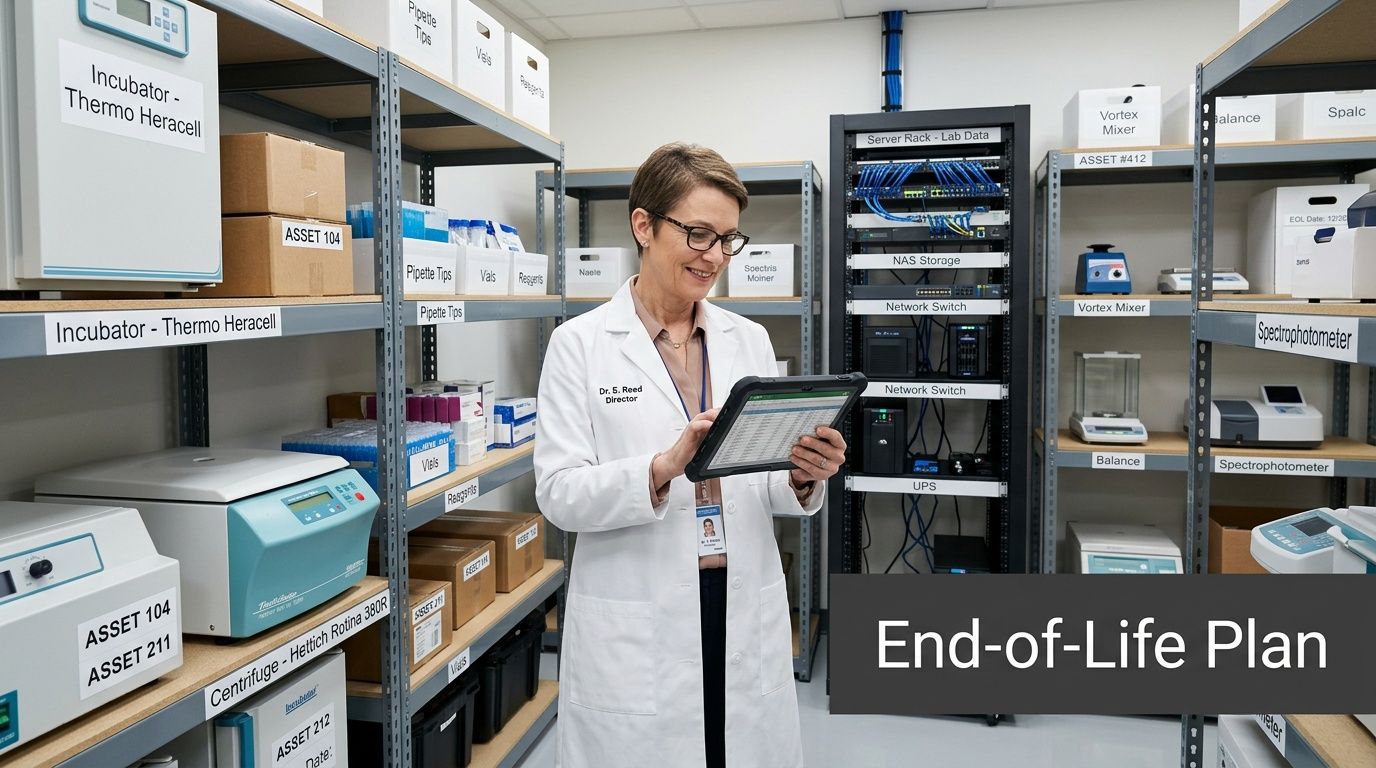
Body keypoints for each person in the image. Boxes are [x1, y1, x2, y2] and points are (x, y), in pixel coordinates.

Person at [535, 142, 847, 768]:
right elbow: (559, 494)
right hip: (639, 606)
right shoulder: (579, 345)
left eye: (729, 239)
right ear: (643, 226)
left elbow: (765, 478)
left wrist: (805, 477)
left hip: (740, 597)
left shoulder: (747, 339)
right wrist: (659, 469)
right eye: (699, 233)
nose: (714, 257)